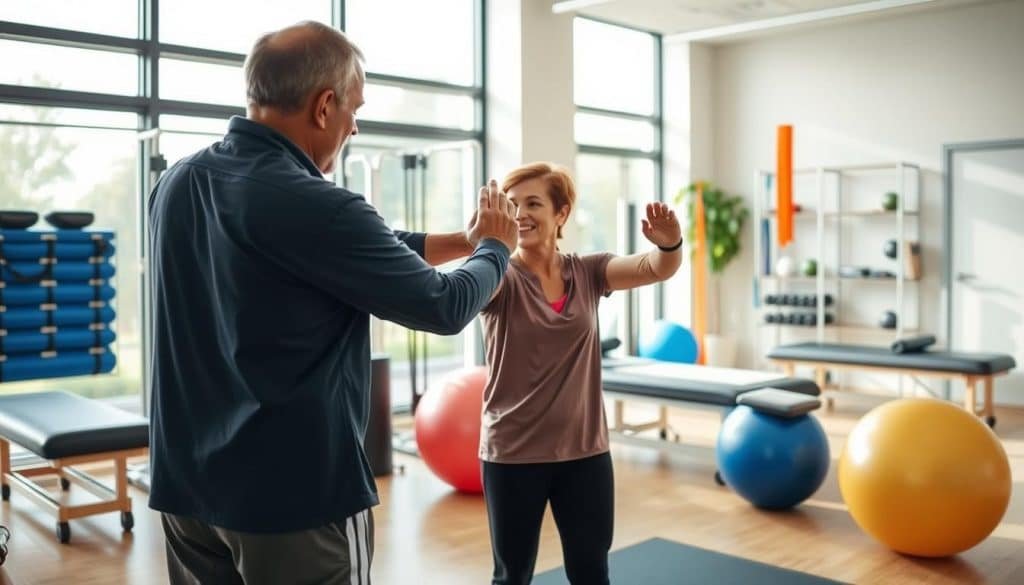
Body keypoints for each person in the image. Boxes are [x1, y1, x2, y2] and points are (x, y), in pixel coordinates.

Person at [147, 21, 518, 585]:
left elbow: (355, 247)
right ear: (324, 107)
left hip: (187, 492)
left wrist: (464, 241)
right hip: (291, 502)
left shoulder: (177, 182)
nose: (355, 125)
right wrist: (496, 249)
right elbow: (443, 307)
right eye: (354, 108)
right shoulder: (319, 205)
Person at [479, 162, 683, 585]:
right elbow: (461, 291)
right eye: (512, 205)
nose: (520, 214)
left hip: (585, 454)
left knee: (592, 571)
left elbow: (655, 268)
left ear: (562, 214)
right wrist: (482, 247)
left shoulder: (587, 272)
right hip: (514, 454)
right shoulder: (499, 275)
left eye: (533, 203)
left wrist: (670, 244)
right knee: (512, 575)